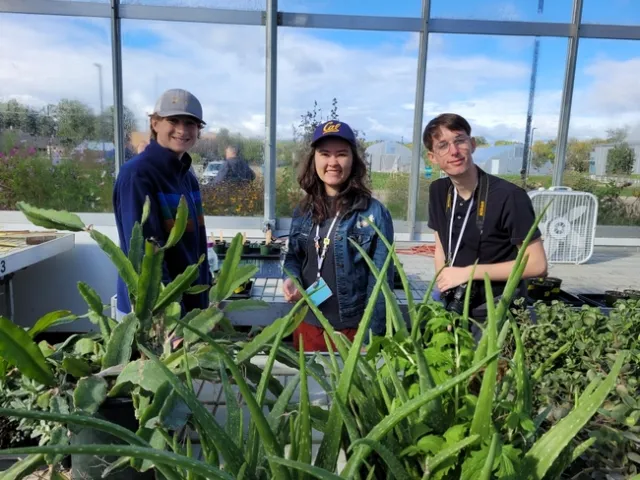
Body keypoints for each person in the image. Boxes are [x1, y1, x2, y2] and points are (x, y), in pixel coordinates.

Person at [282, 120, 395, 351]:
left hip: (352, 332)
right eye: (325, 154)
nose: (332, 162)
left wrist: (369, 338)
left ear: (353, 160)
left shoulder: (373, 213)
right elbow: (293, 256)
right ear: (314, 160)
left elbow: (381, 284)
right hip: (307, 323)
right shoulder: (303, 211)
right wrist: (291, 278)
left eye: (341, 154)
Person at [424, 113, 548, 317]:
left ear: (472, 144)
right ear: (432, 157)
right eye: (443, 145)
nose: (454, 151)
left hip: (496, 309)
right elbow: (441, 248)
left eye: (459, 141)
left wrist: (467, 273)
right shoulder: (439, 191)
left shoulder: (509, 196)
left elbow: (537, 265)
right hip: (455, 303)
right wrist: (444, 287)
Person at [113, 88, 211, 320]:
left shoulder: (187, 177)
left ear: (198, 130)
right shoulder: (138, 175)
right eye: (173, 120)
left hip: (188, 304)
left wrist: (206, 298)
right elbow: (144, 255)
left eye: (191, 123)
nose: (182, 130)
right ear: (155, 123)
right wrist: (168, 317)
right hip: (154, 313)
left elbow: (194, 245)